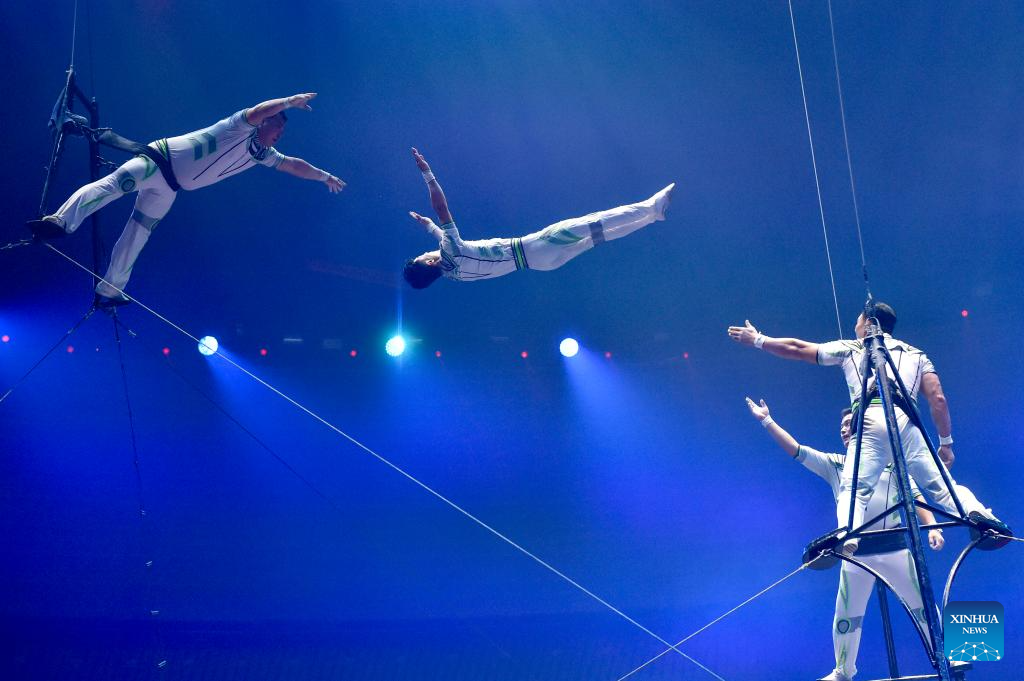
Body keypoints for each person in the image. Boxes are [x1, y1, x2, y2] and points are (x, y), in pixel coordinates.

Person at [727, 303, 1009, 552]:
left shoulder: (854, 348)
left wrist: (759, 340)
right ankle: (982, 516)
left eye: (858, 321)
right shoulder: (917, 355)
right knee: (944, 488)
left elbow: (798, 349)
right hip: (907, 424)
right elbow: (938, 399)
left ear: (869, 323)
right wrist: (945, 443)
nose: (855, 326)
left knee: (853, 489)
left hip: (872, 421)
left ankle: (848, 532)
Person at [32, 93, 345, 305]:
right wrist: (288, 102)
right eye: (277, 126)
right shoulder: (237, 127)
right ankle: (60, 221)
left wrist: (324, 176)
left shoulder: (262, 154)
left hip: (169, 188)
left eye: (281, 132)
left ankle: (111, 288)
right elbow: (260, 109)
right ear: (264, 121)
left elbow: (294, 165)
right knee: (112, 186)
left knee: (139, 232)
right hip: (156, 161)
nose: (279, 135)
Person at [745, 398, 947, 681]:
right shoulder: (835, 465)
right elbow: (797, 450)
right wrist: (767, 421)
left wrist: (934, 527)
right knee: (847, 616)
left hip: (894, 549)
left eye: (849, 424)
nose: (844, 429)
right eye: (841, 426)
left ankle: (945, 656)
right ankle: (843, 671)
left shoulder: (892, 467)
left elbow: (916, 499)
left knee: (923, 606)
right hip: (855, 553)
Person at [401, 147, 674, 288]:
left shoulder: (454, 274)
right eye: (423, 256)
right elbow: (442, 209)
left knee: (598, 237)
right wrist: (427, 173)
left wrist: (429, 226)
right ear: (431, 261)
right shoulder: (450, 251)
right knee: (594, 222)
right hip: (536, 245)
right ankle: (650, 207)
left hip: (541, 262)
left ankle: (651, 217)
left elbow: (446, 241)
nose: (426, 252)